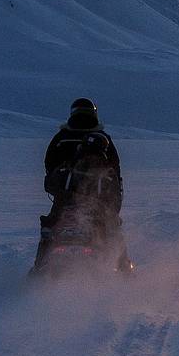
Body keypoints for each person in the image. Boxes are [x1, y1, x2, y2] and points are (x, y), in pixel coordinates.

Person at [33, 98, 132, 272]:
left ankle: (39, 269)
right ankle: (124, 272)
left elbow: (49, 166)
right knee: (113, 229)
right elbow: (116, 172)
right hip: (92, 201)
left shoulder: (61, 138)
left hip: (68, 200)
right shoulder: (102, 140)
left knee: (49, 227)